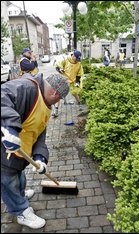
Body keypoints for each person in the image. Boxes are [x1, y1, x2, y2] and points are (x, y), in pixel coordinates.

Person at [1, 73, 69, 229]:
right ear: (54, 93)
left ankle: (20, 194)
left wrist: (40, 157)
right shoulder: (26, 88)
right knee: (7, 182)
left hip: (18, 154)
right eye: (60, 99)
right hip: (4, 149)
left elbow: (40, 133)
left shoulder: (46, 105)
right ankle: (20, 211)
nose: (58, 102)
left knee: (19, 177)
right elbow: (2, 96)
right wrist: (9, 128)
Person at [53, 50, 84, 117]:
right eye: (76, 58)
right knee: (58, 94)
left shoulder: (79, 64)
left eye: (78, 59)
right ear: (73, 55)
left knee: (75, 93)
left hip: (73, 81)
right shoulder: (65, 60)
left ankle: (79, 104)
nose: (77, 60)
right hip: (64, 81)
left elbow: (79, 74)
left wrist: (78, 82)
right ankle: (56, 111)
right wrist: (60, 69)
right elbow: (58, 66)